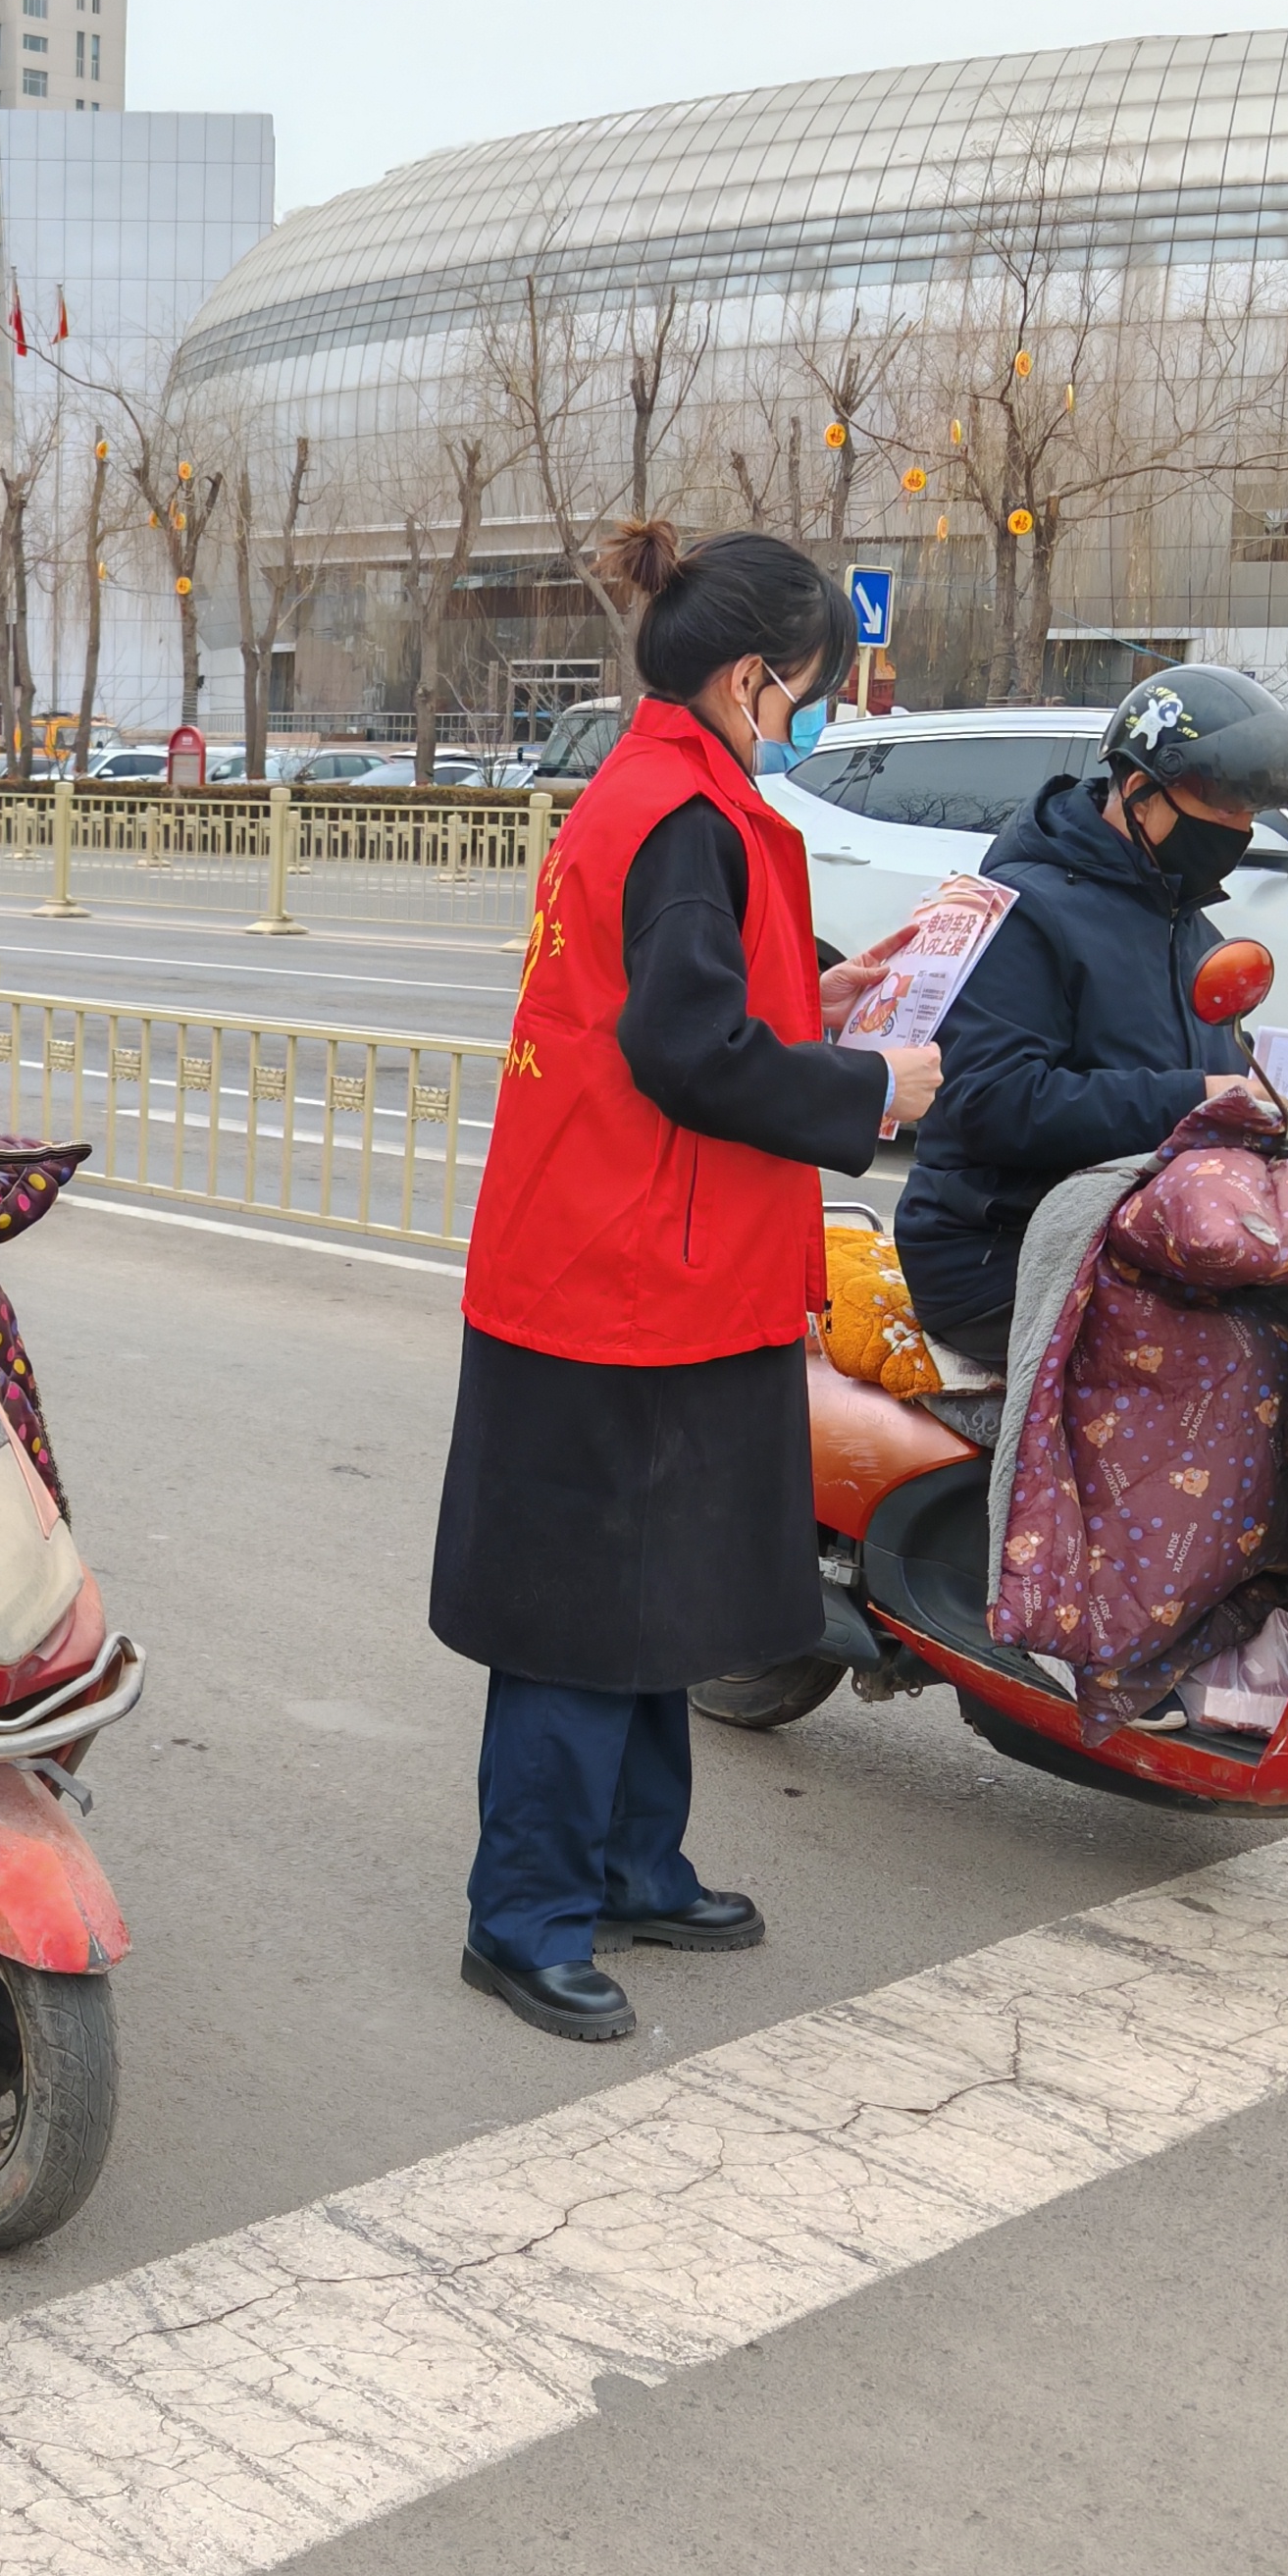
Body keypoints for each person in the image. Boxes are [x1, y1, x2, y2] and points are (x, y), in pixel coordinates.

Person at [428, 523, 945, 2044]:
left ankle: (632, 1864)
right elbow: (686, 1052)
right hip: (619, 1281)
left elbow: (682, 1003)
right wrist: (873, 1087)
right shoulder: (684, 817)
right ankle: (522, 1915)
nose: (809, 719)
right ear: (749, 676)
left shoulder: (670, 791)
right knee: (585, 1617)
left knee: (661, 1602)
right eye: (805, 694)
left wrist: (821, 997)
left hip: (653, 1267)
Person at [893, 665, 1288, 1372]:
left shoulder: (1184, 921)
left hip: (1147, 1236)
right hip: (1006, 1253)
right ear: (1139, 791)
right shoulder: (1023, 909)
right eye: (1223, 801)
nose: (1240, 828)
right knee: (1228, 1367)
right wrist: (1195, 1100)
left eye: (1252, 809)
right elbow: (989, 1100)